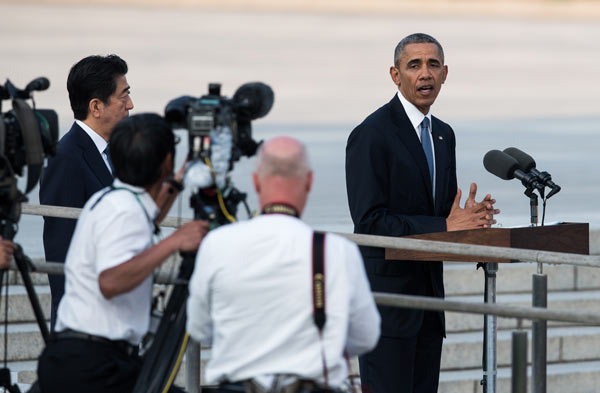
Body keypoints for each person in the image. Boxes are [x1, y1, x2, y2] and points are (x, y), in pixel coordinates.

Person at [345, 33, 499, 393]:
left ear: (445, 74)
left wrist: (469, 218)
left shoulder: (443, 135)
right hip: (388, 307)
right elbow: (369, 222)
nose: (424, 74)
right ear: (395, 75)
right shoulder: (372, 134)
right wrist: (446, 223)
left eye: (433, 65)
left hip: (429, 306)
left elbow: (443, 215)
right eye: (414, 65)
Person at [187, 136, 381, 393]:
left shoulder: (217, 244)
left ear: (256, 182)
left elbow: (200, 329)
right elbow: (365, 336)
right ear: (309, 182)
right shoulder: (337, 251)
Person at [37, 113, 209, 393]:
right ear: (166, 160)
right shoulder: (124, 211)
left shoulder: (115, 199)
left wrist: (177, 182)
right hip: (95, 368)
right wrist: (175, 241)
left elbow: (147, 218)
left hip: (77, 358)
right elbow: (110, 282)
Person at [39, 54, 134, 329]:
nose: (130, 105)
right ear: (96, 107)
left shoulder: (114, 151)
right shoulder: (65, 158)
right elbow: (62, 253)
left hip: (117, 317)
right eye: (123, 96)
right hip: (85, 325)